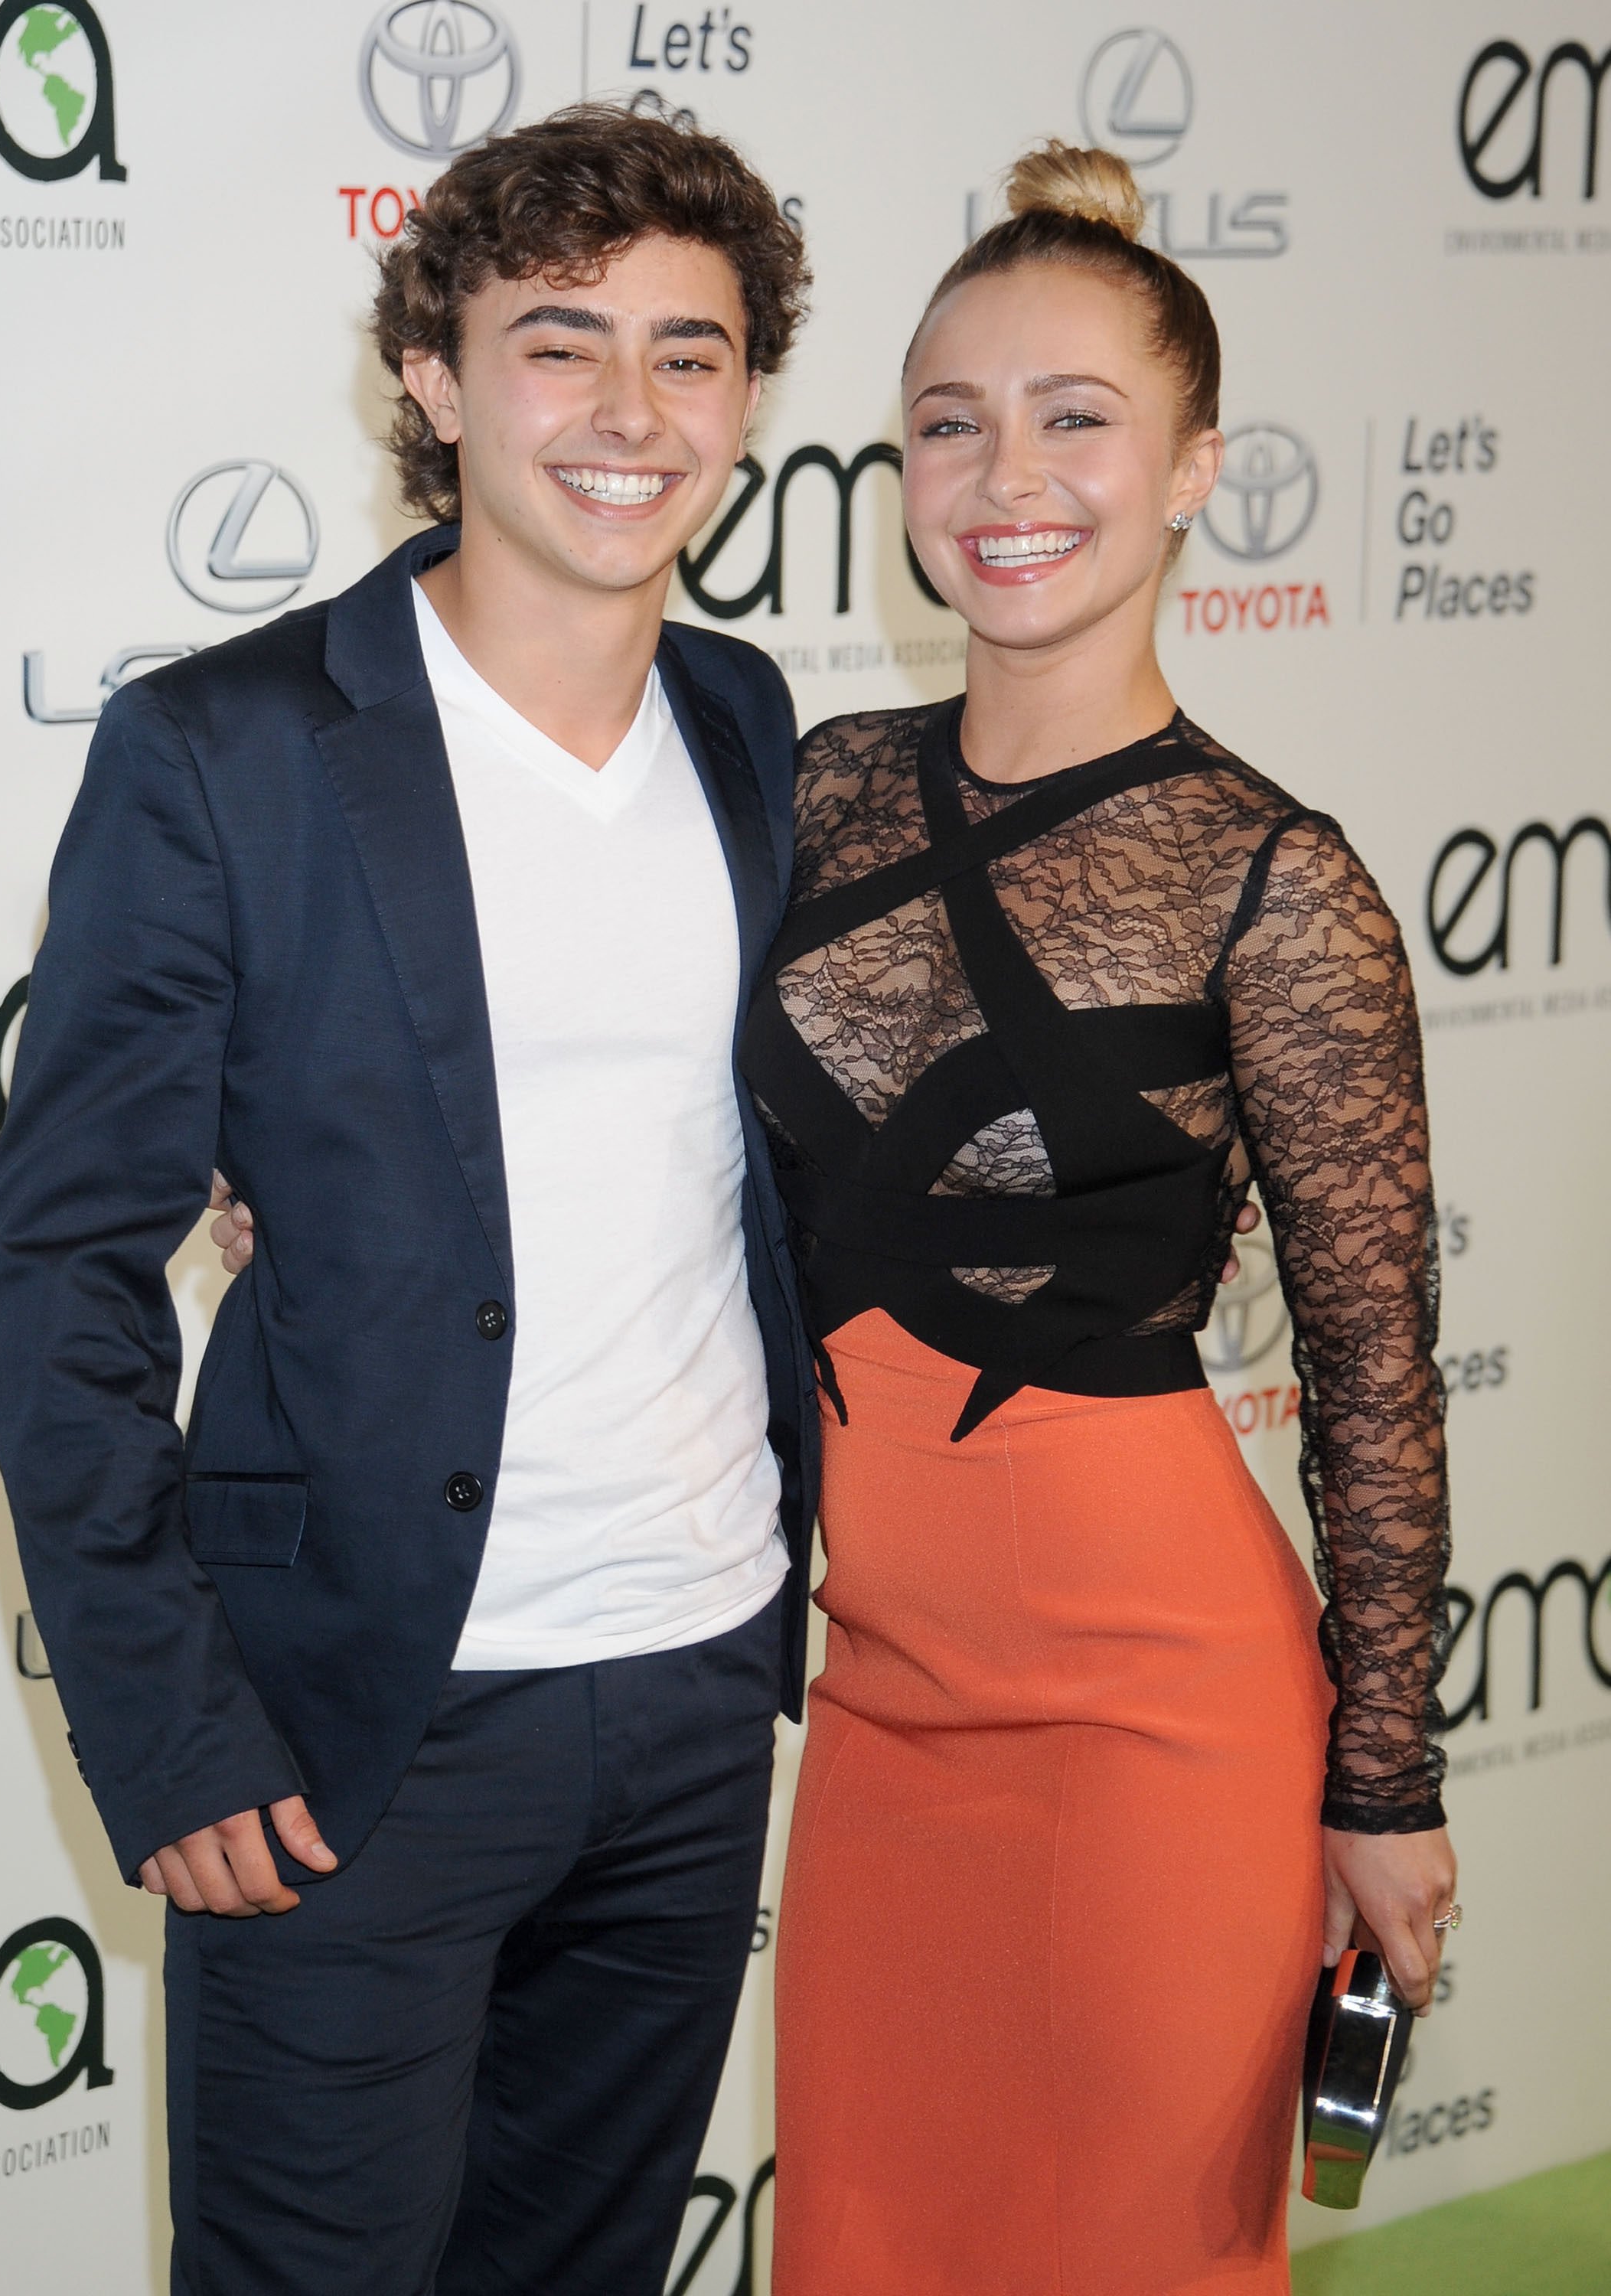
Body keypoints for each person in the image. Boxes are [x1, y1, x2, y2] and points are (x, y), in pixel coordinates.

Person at [0, 106, 820, 2296]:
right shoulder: (228, 752)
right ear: (436, 383)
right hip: (358, 1720)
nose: (631, 413)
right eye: (562, 343)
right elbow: (64, 1263)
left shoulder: (748, 723)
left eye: (691, 352)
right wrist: (166, 1725)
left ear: (746, 400)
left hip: (694, 1676)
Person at [749, 145, 1459, 2294]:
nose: (1006, 473)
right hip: (875, 1702)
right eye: (952, 419)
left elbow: (1373, 1377)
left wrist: (1391, 1785)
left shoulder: (1282, 884)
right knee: (865, 2250)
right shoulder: (800, 787)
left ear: (1193, 473)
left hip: (1161, 1719)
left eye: (1078, 418)